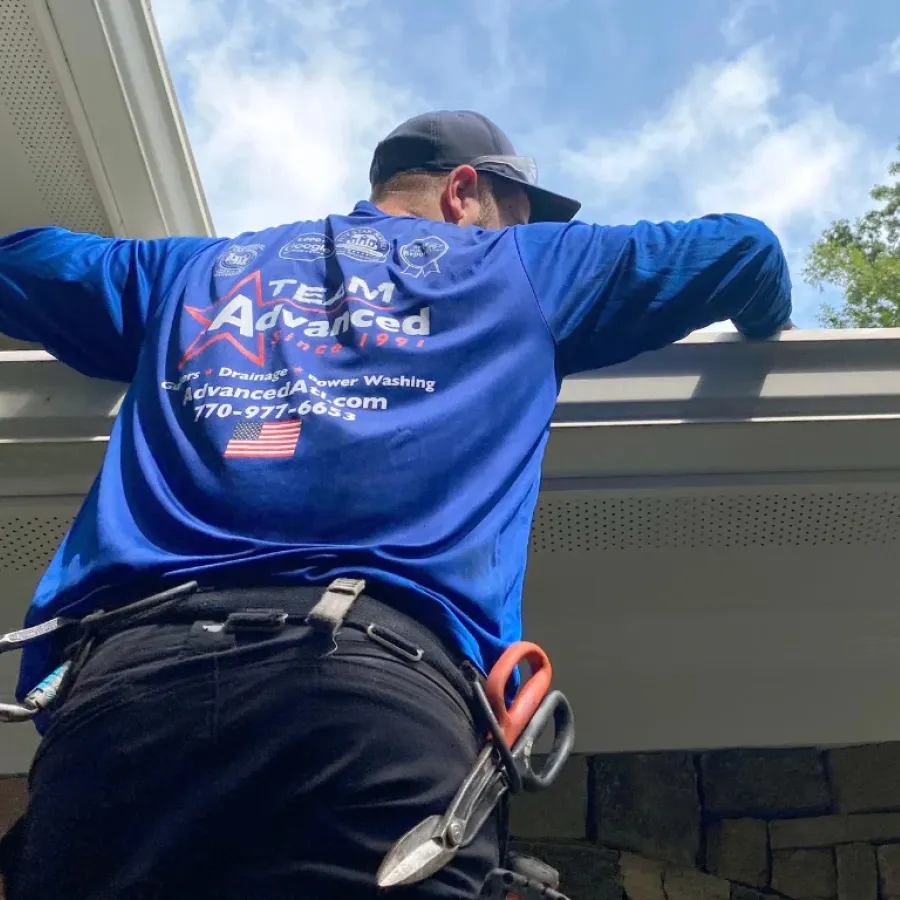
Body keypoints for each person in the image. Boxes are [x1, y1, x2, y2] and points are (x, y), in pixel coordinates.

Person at [0, 109, 793, 899]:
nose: (514, 231)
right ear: (463, 191)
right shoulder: (524, 267)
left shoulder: (196, 272)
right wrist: (769, 325)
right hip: (369, 701)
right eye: (512, 213)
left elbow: (24, 262)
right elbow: (745, 251)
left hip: (126, 709)